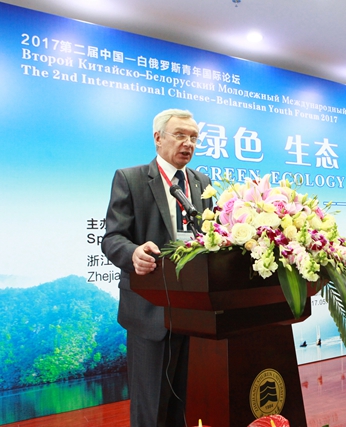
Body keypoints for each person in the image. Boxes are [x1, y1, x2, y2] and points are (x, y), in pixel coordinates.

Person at [101, 108, 212, 427]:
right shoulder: (131, 179)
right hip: (149, 311)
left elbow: (212, 235)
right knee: (152, 411)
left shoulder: (202, 183)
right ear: (158, 138)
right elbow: (112, 238)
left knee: (190, 406)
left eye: (194, 138)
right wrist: (133, 253)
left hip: (196, 311)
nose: (188, 143)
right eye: (180, 135)